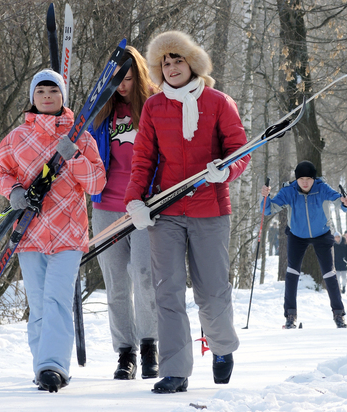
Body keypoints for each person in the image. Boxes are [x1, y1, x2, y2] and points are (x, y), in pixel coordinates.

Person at [124, 31, 250, 393]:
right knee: (167, 291)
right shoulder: (153, 106)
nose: (172, 66)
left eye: (177, 59)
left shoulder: (218, 102)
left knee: (211, 292)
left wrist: (225, 169)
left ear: (192, 62)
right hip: (166, 210)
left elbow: (240, 149)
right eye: (165, 62)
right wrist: (136, 201)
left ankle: (222, 348)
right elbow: (143, 159)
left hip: (210, 209)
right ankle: (175, 369)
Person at [0, 69, 106, 392]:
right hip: (29, 234)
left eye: (52, 91)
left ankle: (53, 366)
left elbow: (97, 182)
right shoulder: (16, 137)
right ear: (32, 98)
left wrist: (76, 157)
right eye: (40, 91)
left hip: (69, 234)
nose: (46, 96)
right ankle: (41, 365)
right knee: (40, 304)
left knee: (56, 299)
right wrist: (14, 193)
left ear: (62, 98)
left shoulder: (79, 136)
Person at [88, 46, 159, 380]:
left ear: (139, 76)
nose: (122, 86)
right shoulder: (99, 112)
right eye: (116, 80)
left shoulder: (154, 107)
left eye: (128, 78)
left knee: (144, 276)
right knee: (116, 284)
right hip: (106, 206)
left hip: (144, 207)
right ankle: (125, 352)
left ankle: (149, 346)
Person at [260, 161, 347, 329]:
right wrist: (265, 197)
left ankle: (339, 314)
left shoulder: (321, 187)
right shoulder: (289, 191)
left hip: (322, 234)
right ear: (297, 179)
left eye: (308, 179)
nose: (305, 182)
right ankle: (290, 316)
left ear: (313, 179)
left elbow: (339, 202)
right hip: (297, 235)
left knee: (329, 274)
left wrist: (345, 203)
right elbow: (267, 210)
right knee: (292, 273)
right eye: (301, 178)